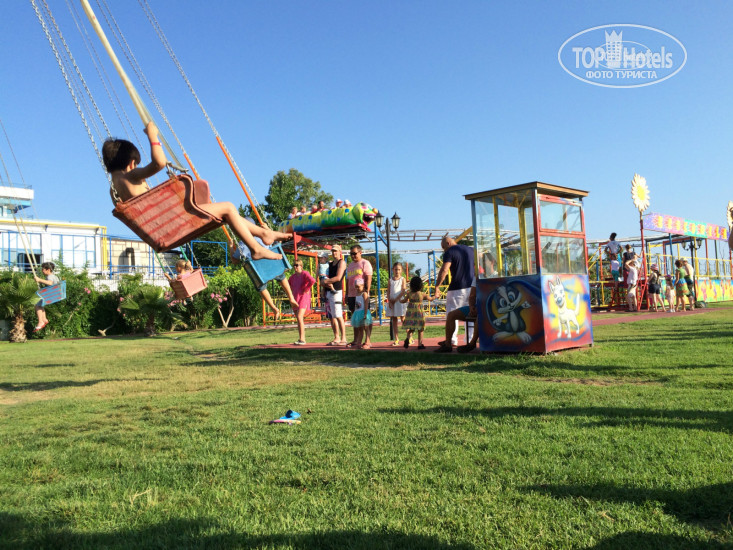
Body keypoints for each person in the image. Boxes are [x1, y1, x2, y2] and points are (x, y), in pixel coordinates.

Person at [102, 122, 287, 261]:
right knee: (229, 208)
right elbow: (159, 162)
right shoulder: (130, 176)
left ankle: (264, 234)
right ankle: (255, 248)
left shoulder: (114, 191)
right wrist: (152, 135)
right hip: (177, 223)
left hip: (162, 233)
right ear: (131, 163)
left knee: (224, 215)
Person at [228, 238, 298, 320]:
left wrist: (231, 246)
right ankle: (291, 297)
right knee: (281, 276)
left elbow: (234, 261)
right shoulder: (260, 236)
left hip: (258, 269)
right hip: (270, 263)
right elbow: (273, 240)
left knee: (261, 287)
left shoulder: (242, 244)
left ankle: (273, 308)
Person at [434, 234, 475, 346]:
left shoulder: (450, 252)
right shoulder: (471, 250)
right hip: (471, 287)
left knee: (451, 314)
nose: (444, 250)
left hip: (456, 288)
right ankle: (470, 340)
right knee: (471, 313)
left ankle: (451, 339)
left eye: (443, 247)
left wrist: (437, 286)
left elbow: (444, 270)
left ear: (448, 243)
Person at [435, 278, 478, 353]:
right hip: (477, 307)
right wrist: (471, 307)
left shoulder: (493, 277)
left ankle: (472, 343)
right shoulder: (477, 277)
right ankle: (447, 344)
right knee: (451, 315)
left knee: (481, 316)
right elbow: (472, 296)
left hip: (485, 308)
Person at [401, 276, 435, 349]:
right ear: (420, 285)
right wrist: (435, 296)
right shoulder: (422, 294)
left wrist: (399, 300)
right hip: (419, 314)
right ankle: (420, 344)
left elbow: (404, 301)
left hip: (411, 314)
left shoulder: (409, 294)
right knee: (420, 329)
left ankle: (407, 338)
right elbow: (430, 299)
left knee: (411, 328)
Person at [323, 244, 347, 345]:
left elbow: (338, 277)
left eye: (336, 251)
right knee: (331, 316)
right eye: (333, 251)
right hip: (328, 291)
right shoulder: (330, 264)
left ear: (340, 252)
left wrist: (326, 281)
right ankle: (336, 337)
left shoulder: (342, 262)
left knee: (338, 314)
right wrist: (323, 287)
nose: (334, 253)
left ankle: (343, 338)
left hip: (336, 291)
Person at [288, 259, 315, 345]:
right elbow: (287, 286)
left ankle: (302, 339)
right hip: (295, 299)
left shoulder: (305, 274)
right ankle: (300, 338)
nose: (295, 267)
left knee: (300, 317)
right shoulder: (292, 277)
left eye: (297, 265)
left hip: (303, 298)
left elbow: (312, 281)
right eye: (294, 265)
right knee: (298, 318)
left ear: (301, 266)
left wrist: (307, 288)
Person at [346, 245, 373, 317]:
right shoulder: (350, 265)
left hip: (361, 295)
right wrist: (346, 294)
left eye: (354, 253)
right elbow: (348, 280)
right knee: (354, 315)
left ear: (360, 252)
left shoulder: (365, 263)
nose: (352, 256)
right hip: (351, 295)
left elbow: (369, 278)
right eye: (351, 254)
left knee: (364, 314)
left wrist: (367, 291)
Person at [33, 261, 60, 331]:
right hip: (55, 294)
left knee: (37, 305)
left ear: (48, 270)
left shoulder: (49, 276)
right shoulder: (55, 276)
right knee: (40, 305)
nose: (42, 271)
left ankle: (40, 322)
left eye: (43, 269)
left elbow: (50, 283)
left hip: (51, 295)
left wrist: (39, 280)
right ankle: (44, 319)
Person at [385, 262, 407, 346]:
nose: (397, 271)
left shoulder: (402, 279)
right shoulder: (390, 280)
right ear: (392, 270)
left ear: (401, 270)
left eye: (399, 269)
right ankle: (396, 339)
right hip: (392, 301)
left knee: (403, 318)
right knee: (394, 320)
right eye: (395, 269)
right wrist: (389, 300)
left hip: (399, 301)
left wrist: (396, 299)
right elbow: (388, 291)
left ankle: (409, 337)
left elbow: (403, 291)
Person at [349, 278, 373, 349]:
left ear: (362, 285)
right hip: (358, 313)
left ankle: (368, 341)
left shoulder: (364, 294)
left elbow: (366, 304)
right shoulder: (357, 294)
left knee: (366, 327)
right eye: (356, 287)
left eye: (358, 287)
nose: (357, 288)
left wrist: (365, 313)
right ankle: (359, 343)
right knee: (360, 329)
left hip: (363, 312)